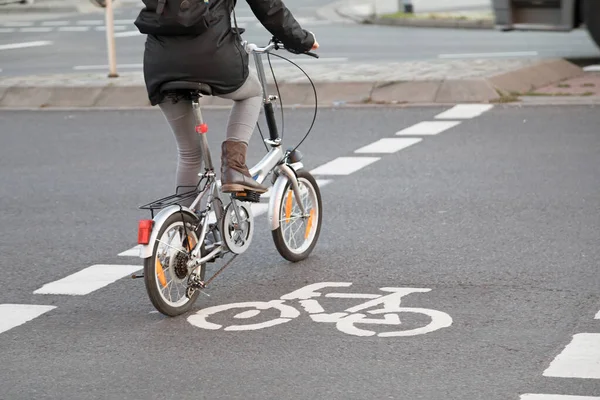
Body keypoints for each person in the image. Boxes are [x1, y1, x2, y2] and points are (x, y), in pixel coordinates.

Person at [134, 0, 319, 196]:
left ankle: (184, 223)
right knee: (253, 91)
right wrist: (303, 41)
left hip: (161, 66)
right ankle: (234, 167)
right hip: (215, 59)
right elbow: (270, 8)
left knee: (189, 154)